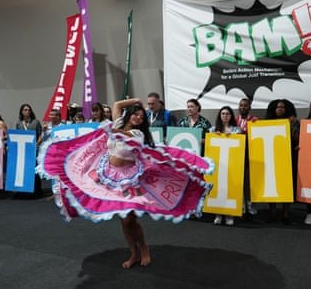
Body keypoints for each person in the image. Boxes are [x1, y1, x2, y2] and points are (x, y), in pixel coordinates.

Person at [37, 97, 214, 268]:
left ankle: (143, 249)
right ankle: (134, 253)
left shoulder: (137, 134)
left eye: (141, 117)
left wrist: (113, 129)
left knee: (131, 219)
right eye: (136, 114)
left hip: (130, 179)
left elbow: (123, 135)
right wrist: (136, 101)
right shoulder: (117, 124)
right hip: (109, 175)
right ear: (129, 114)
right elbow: (116, 105)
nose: (138, 118)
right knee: (124, 220)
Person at [265, 99, 299, 225]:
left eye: (283, 107)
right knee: (271, 184)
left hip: (288, 157)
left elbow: (297, 140)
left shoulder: (293, 122)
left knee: (286, 186)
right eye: (277, 107)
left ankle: (285, 213)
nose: (280, 109)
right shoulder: (267, 123)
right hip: (271, 157)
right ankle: (272, 211)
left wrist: (293, 125)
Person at [210, 106, 241, 226]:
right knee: (218, 188)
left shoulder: (236, 130)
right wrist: (214, 136)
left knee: (231, 188)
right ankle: (218, 214)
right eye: (223, 114)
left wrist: (232, 136)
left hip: (232, 164)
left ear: (231, 116)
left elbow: (240, 144)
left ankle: (229, 214)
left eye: (227, 114)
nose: (225, 116)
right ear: (220, 116)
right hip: (218, 164)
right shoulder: (213, 129)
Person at [235, 98, 259, 219]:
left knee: (250, 182)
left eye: (245, 106)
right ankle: (241, 205)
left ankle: (251, 205)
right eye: (241, 105)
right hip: (238, 155)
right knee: (239, 180)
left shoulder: (255, 120)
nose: (243, 107)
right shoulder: (235, 120)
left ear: (249, 108)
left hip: (250, 155)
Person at [16, 103, 43, 198]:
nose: (27, 111)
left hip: (34, 149)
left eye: (28, 110)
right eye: (25, 110)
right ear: (21, 112)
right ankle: (24, 190)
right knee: (24, 169)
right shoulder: (19, 124)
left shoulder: (36, 122)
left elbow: (40, 135)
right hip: (23, 150)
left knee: (34, 170)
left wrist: (37, 144)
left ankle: (37, 191)